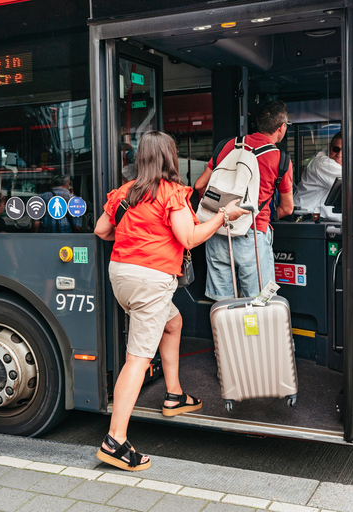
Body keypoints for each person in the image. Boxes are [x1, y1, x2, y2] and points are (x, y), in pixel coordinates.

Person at [93, 131, 248, 471]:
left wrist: (137, 235)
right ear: (170, 157)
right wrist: (223, 217)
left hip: (121, 276)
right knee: (137, 359)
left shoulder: (125, 192)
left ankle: (174, 394)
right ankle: (114, 441)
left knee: (173, 322)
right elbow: (189, 238)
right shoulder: (172, 194)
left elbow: (101, 231)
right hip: (150, 281)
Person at [194, 100, 294, 300]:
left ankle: (225, 332)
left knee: (222, 303)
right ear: (281, 127)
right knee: (259, 301)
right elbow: (287, 209)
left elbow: (199, 185)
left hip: (217, 229)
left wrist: (218, 211)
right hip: (252, 234)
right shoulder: (279, 158)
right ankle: (252, 333)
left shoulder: (227, 145)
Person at [294, 132, 343, 213]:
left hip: (315, 216)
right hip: (305, 217)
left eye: (345, 150)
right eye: (336, 149)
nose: (339, 155)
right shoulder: (323, 163)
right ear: (329, 146)